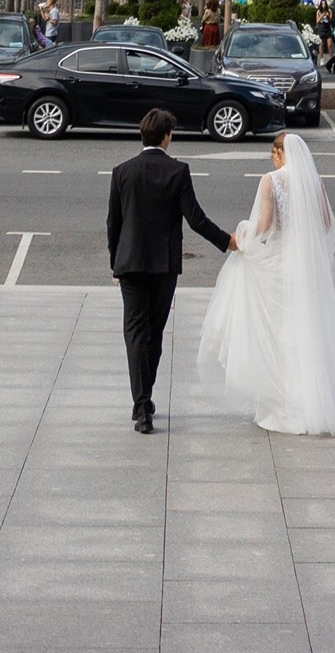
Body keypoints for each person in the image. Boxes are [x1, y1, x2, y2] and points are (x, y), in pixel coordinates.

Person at [199, 130, 335, 434]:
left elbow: (265, 224)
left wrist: (242, 237)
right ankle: (314, 403)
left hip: (280, 264)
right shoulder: (314, 181)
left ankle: (284, 404)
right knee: (307, 330)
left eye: (272, 154)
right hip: (306, 266)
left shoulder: (271, 181)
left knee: (280, 332)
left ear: (277, 153)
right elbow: (325, 223)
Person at [104, 106, 237, 434]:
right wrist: (227, 242)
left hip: (130, 264)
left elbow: (113, 224)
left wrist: (115, 263)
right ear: (166, 137)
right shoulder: (178, 171)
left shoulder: (122, 172)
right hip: (164, 266)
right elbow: (196, 219)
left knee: (134, 333)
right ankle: (146, 398)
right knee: (154, 333)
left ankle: (141, 407)